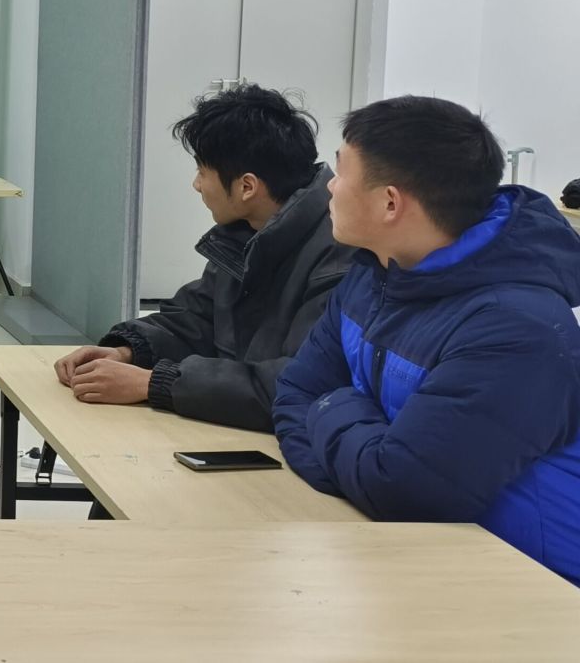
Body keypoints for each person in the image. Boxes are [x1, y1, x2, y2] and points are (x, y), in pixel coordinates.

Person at [274, 96, 580, 583]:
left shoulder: (516, 329)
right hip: (418, 558)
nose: (329, 185)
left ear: (390, 202)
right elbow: (293, 393)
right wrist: (364, 474)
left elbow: (407, 493)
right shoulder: (373, 275)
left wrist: (334, 406)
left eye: (341, 172)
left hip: (536, 588)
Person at [53, 85, 352, 431]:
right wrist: (127, 352)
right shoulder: (248, 230)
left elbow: (296, 385)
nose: (196, 185)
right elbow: (198, 319)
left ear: (247, 187)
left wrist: (153, 383)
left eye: (202, 171)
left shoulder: (338, 255)